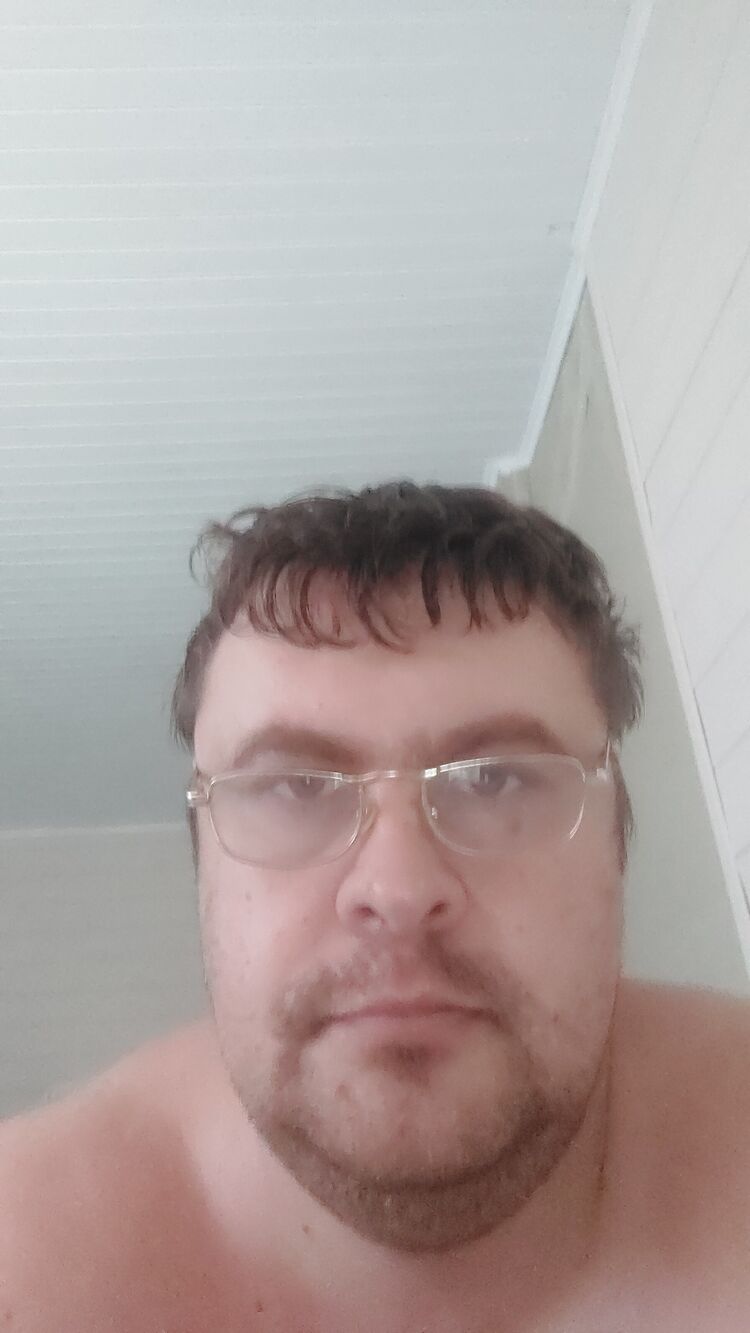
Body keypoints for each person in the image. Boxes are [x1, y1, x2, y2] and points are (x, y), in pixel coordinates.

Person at [2, 481, 749, 1332]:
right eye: (294, 786)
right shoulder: (32, 1272)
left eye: (494, 778)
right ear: (202, 863)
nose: (396, 889)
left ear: (617, 839)